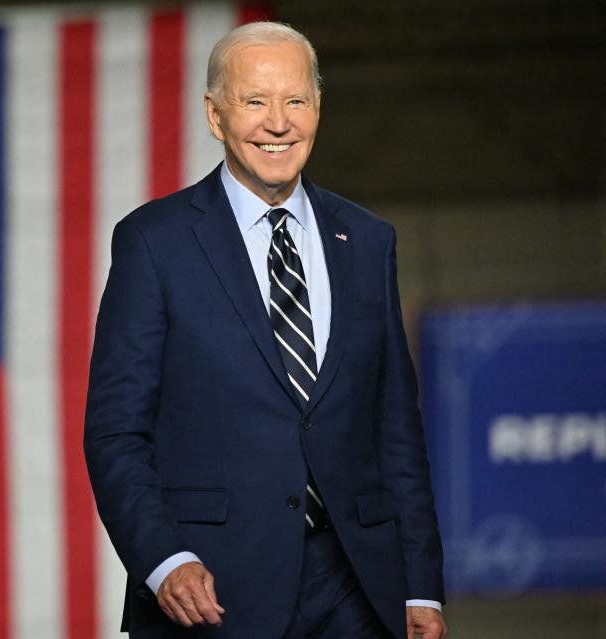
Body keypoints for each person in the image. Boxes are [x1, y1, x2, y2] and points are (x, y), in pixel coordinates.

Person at [84, 21, 447, 639]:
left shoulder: (366, 239)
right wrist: (164, 560)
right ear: (215, 115)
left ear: (317, 110)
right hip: (214, 590)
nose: (278, 123)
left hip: (358, 584)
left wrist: (421, 588)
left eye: (295, 101)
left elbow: (396, 433)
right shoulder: (154, 242)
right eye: (255, 101)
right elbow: (117, 432)